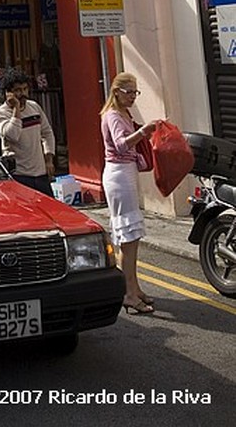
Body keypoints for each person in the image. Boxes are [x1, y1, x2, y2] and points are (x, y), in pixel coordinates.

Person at [100, 72, 156, 315]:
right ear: (116, 92)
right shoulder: (112, 115)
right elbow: (121, 143)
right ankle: (129, 294)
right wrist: (144, 132)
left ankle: (134, 287)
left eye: (136, 92)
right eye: (129, 92)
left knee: (132, 237)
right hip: (119, 175)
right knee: (127, 237)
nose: (133, 96)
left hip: (126, 173)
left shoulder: (124, 113)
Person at [0, 68, 55, 195]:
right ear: (8, 93)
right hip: (19, 175)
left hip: (40, 173)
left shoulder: (34, 107)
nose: (23, 93)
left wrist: (49, 159)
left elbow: (47, 132)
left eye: (25, 89)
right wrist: (16, 109)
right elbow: (12, 135)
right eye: (18, 90)